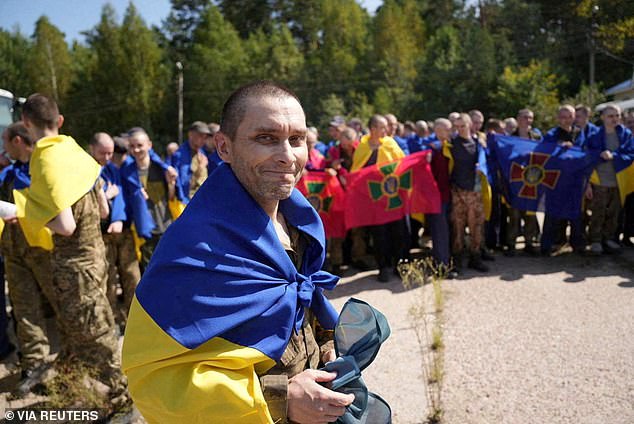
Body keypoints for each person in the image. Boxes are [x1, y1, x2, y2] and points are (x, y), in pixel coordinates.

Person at [122, 81, 353, 423]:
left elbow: (297, 308)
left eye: (297, 139)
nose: (288, 156)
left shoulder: (301, 224)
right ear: (224, 148)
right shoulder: (194, 247)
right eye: (266, 138)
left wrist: (324, 343)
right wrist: (280, 397)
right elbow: (154, 378)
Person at [16, 94, 128, 410]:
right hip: (96, 256)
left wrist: (26, 211)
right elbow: (104, 208)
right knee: (77, 327)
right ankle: (71, 384)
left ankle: (124, 399)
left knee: (96, 332)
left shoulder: (45, 158)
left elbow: (64, 225)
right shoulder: (74, 150)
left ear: (26, 123)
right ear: (60, 120)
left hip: (74, 265)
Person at [0, 121, 53, 395]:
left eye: (5, 141)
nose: (4, 146)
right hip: (14, 252)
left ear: (17, 141)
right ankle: (34, 365)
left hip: (42, 251)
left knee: (58, 308)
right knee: (24, 310)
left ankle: (69, 363)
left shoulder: (42, 168)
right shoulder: (9, 172)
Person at [89, 132, 141, 326]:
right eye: (103, 153)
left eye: (111, 153)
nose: (108, 157)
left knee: (132, 276)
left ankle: (135, 320)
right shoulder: (86, 171)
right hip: (101, 235)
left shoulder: (113, 169)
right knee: (107, 280)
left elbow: (121, 197)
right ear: (92, 149)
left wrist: (118, 218)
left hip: (122, 232)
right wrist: (105, 194)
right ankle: (111, 321)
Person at [351, 114, 407, 282]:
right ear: (373, 129)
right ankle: (383, 267)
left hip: (392, 197)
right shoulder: (362, 147)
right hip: (374, 199)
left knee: (398, 232)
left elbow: (403, 164)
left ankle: (400, 266)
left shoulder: (390, 143)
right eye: (383, 127)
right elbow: (356, 173)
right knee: (379, 235)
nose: (386, 130)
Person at [120, 128, 181, 271]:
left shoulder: (162, 169)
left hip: (165, 226)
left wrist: (171, 184)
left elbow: (172, 198)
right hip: (144, 231)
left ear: (149, 145)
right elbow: (126, 201)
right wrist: (136, 195)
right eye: (132, 146)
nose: (136, 150)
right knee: (149, 271)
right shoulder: (127, 171)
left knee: (170, 269)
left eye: (139, 145)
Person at [586, 104, 634, 254]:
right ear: (603, 117)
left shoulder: (626, 134)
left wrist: (615, 156)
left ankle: (608, 238)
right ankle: (595, 240)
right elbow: (586, 157)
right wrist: (600, 154)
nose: (614, 119)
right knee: (598, 212)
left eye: (617, 116)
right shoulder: (594, 136)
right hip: (599, 180)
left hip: (619, 180)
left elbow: (631, 154)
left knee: (615, 212)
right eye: (610, 116)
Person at [540, 105, 585, 255]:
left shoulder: (580, 134)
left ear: (574, 117)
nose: (566, 120)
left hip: (575, 180)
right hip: (556, 181)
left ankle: (577, 244)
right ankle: (546, 245)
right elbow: (542, 154)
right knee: (552, 213)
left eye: (569, 117)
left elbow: (585, 153)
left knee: (576, 214)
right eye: (563, 117)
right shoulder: (551, 135)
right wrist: (558, 149)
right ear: (558, 118)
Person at [447, 113, 489, 272]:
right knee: (457, 228)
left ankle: (475, 258)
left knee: (476, 227)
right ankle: (457, 261)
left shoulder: (479, 143)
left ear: (470, 125)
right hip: (457, 191)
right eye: (456, 127)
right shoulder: (451, 143)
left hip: (475, 191)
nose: (459, 129)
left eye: (462, 126)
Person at [170, 121, 211, 202]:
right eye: (200, 136)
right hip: (185, 202)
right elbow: (182, 182)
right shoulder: (179, 155)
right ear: (190, 134)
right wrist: (201, 167)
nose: (203, 140)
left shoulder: (202, 152)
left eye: (205, 137)